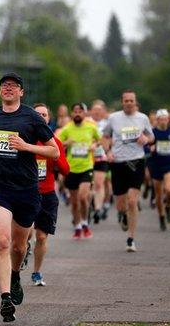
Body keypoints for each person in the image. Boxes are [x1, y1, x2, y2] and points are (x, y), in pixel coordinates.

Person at [0, 72, 59, 321]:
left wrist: (27, 147)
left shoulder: (32, 117)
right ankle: (5, 299)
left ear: (21, 92)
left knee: (18, 246)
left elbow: (54, 151)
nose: (9, 88)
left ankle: (15, 274)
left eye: (14, 86)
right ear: (0, 91)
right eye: (4, 86)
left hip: (25, 189)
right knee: (1, 242)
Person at [102, 90, 154, 252]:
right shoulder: (114, 118)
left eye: (131, 100)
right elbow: (105, 137)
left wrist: (146, 139)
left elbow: (151, 137)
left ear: (135, 102)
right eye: (126, 100)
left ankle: (131, 238)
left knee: (132, 201)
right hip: (117, 163)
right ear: (122, 102)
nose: (129, 103)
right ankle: (122, 215)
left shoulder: (143, 118)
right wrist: (108, 152)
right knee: (120, 204)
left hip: (136, 161)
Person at [30, 103, 70, 286]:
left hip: (47, 194)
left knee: (41, 236)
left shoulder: (55, 142)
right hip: (26, 193)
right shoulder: (25, 140)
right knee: (24, 236)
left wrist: (54, 158)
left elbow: (65, 169)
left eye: (44, 115)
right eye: (37, 114)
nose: (41, 117)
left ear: (48, 119)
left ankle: (37, 272)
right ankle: (21, 254)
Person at [58, 103, 101, 240]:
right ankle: (77, 226)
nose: (77, 113)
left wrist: (94, 144)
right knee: (74, 201)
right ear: (72, 114)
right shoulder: (67, 129)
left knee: (83, 197)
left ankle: (85, 222)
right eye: (75, 111)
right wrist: (66, 143)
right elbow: (56, 144)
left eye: (80, 111)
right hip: (71, 168)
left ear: (84, 114)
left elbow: (100, 140)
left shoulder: (91, 127)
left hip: (86, 167)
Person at [147, 109, 170, 230]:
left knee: (169, 190)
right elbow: (145, 146)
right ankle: (162, 216)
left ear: (168, 120)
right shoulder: (152, 133)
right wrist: (150, 149)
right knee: (158, 195)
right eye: (161, 119)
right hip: (156, 165)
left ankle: (168, 206)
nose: (163, 121)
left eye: (165, 118)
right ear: (157, 120)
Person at [90, 100, 112, 222]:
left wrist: (108, 149)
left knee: (99, 184)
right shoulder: (87, 123)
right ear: (91, 111)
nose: (97, 113)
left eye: (99, 111)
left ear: (103, 112)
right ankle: (92, 205)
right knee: (90, 185)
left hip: (102, 157)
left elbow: (111, 139)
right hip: (88, 157)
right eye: (95, 110)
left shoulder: (107, 124)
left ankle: (98, 209)